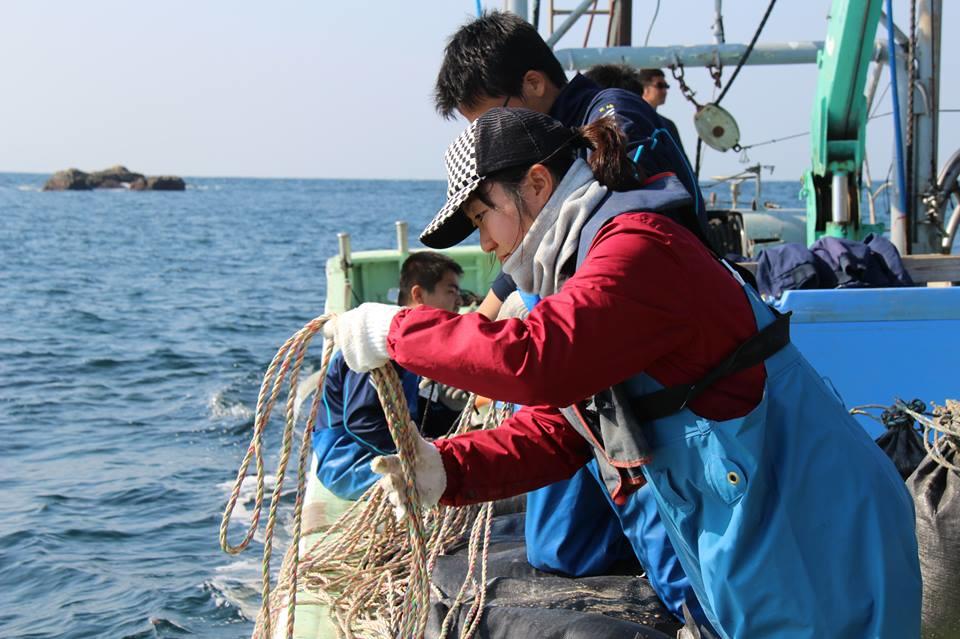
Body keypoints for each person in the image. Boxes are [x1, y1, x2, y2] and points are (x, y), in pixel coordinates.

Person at [326, 108, 922, 638]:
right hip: (759, 532)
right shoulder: (591, 264)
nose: (484, 243)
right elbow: (562, 430)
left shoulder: (637, 249)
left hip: (812, 536)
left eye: (483, 216)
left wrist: (397, 331)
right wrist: (448, 469)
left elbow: (537, 359)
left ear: (538, 184)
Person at [435, 11, 710, 322]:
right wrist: (480, 320)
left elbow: (633, 230)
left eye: (492, 120)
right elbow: (534, 238)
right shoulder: (547, 144)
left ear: (534, 83)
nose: (487, 136)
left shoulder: (612, 114)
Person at [312, 251, 465, 502]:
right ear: (418, 295)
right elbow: (361, 421)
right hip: (349, 461)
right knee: (448, 476)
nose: (459, 302)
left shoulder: (414, 347)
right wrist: (414, 453)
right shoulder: (374, 342)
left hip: (382, 449)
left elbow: (416, 414)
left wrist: (450, 412)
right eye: (451, 291)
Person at [584, 64, 689, 164]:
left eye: (666, 86)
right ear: (644, 88)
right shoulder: (662, 127)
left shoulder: (666, 126)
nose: (665, 91)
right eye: (660, 86)